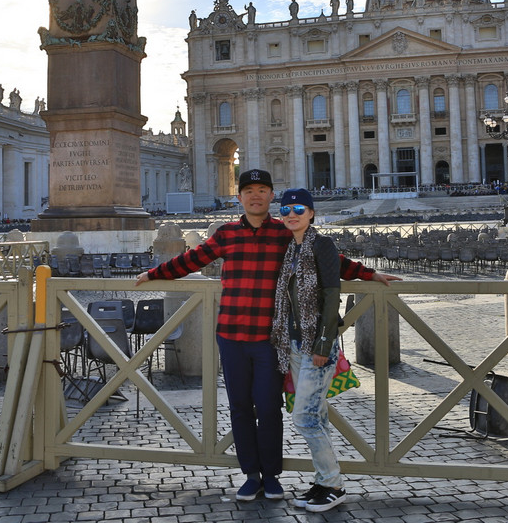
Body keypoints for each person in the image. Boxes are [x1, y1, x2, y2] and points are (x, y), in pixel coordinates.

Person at [136, 169, 398, 502]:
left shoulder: (285, 233)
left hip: (269, 340)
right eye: (249, 190)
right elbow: (190, 260)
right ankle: (251, 474)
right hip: (230, 336)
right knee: (240, 407)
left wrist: (369, 273)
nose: (255, 195)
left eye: (262, 189)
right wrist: (152, 273)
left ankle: (272, 475)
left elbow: (327, 259)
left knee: (270, 407)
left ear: (271, 196)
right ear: (239, 197)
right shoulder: (226, 234)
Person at [270, 189, 347, 512]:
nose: (291, 214)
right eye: (286, 209)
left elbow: (332, 295)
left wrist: (323, 343)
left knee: (304, 419)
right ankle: (322, 482)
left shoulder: (322, 245)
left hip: (317, 344)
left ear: (312, 213)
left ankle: (333, 483)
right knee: (316, 416)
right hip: (295, 345)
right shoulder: (289, 249)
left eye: (299, 208)